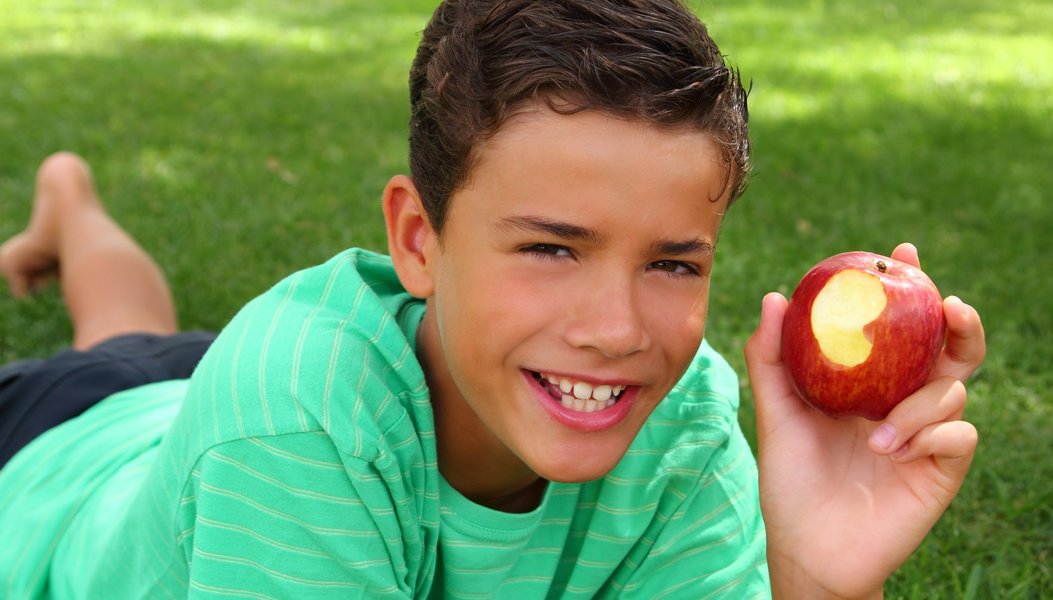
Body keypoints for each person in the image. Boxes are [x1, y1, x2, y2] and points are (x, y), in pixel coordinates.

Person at [0, 0, 986, 598]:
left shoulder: (682, 427)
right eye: (553, 248)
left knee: (133, 332)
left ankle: (68, 200)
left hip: (229, 396)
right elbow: (290, 424)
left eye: (673, 264)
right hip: (55, 457)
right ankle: (71, 198)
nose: (616, 330)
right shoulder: (291, 433)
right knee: (116, 351)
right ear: (418, 241)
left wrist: (815, 584)